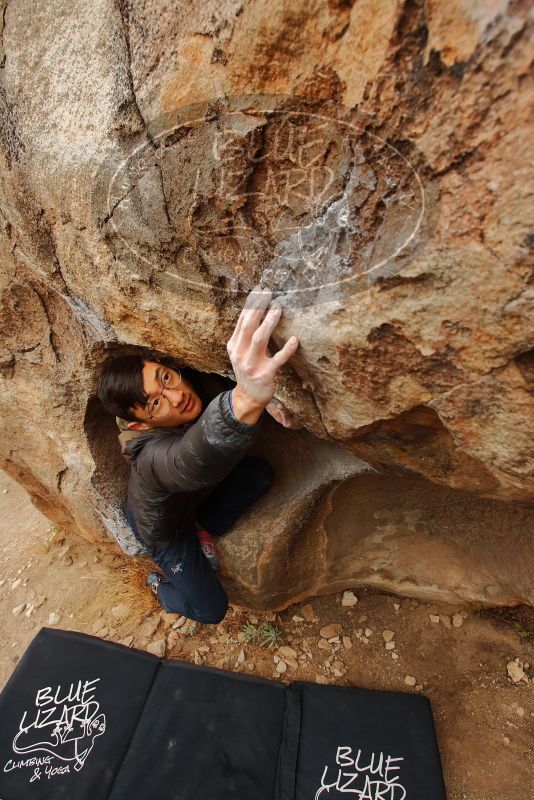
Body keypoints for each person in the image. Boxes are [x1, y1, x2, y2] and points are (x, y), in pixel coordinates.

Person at [97, 286, 302, 624]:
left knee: (258, 474)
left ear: (166, 365)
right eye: (155, 404)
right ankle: (161, 590)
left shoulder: (190, 386)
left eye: (166, 378)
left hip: (188, 500)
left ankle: (203, 526)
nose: (176, 397)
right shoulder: (149, 456)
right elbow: (185, 460)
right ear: (141, 424)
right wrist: (247, 399)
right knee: (211, 610)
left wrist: (274, 403)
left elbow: (219, 398)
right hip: (165, 531)